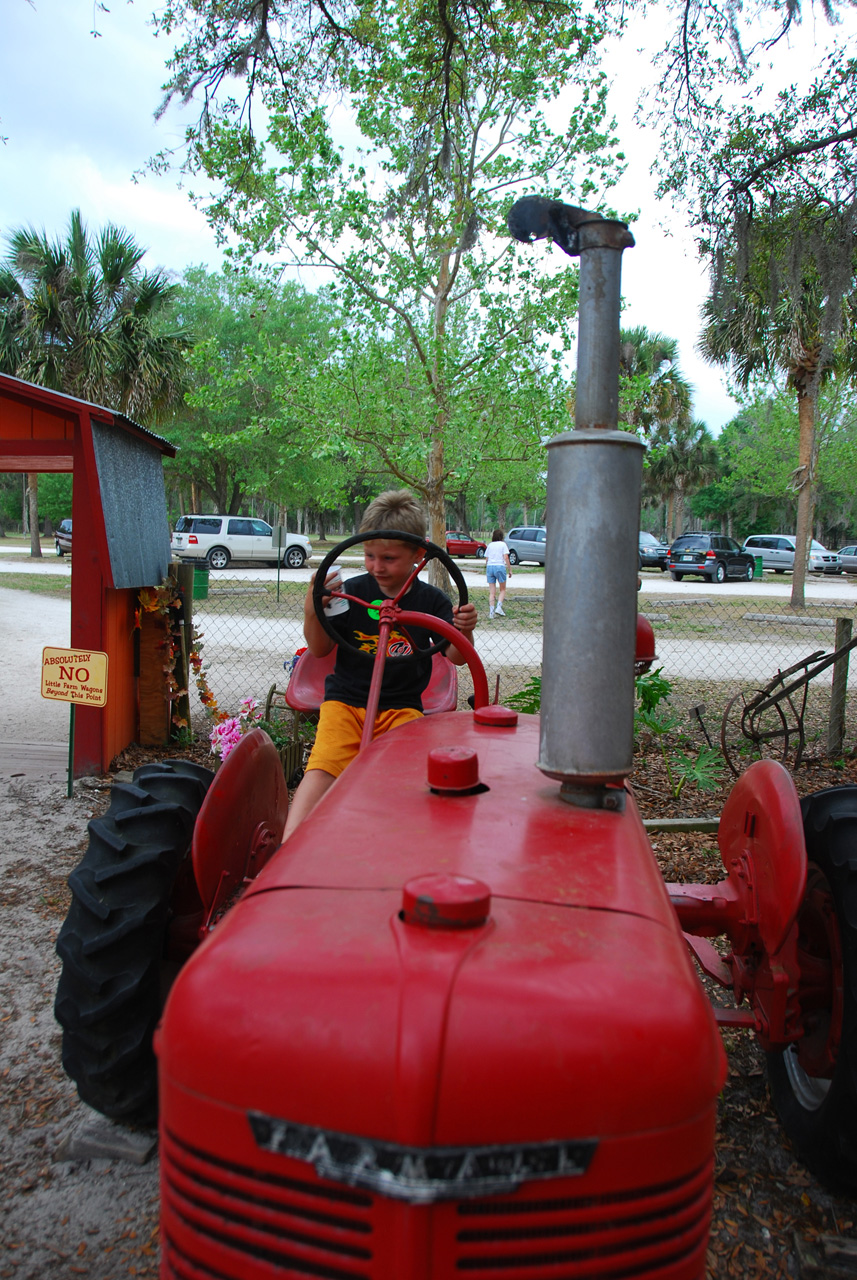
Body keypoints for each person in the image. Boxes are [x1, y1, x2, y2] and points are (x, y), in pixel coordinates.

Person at [282, 490, 478, 838]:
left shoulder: (431, 601)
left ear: (419, 555)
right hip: (344, 702)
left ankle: (389, 845)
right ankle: (289, 847)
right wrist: (313, 610)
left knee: (404, 783)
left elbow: (456, 658)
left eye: (388, 558)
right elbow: (320, 647)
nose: (376, 567)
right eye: (369, 556)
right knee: (322, 769)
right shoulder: (349, 593)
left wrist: (464, 631)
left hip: (403, 708)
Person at [484, 528, 512, 619]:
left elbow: (487, 558)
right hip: (499, 566)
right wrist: (510, 569)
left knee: (492, 592)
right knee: (502, 589)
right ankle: (499, 607)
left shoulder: (490, 545)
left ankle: (491, 612)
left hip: (490, 567)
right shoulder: (503, 544)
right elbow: (506, 557)